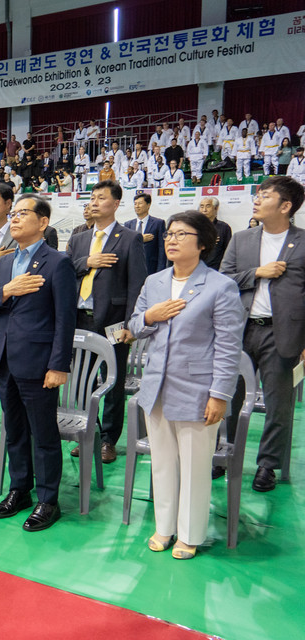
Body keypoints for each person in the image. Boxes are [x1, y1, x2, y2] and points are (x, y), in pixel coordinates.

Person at [127, 210, 243, 558]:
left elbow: (228, 346)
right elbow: (133, 327)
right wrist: (151, 316)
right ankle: (164, 527)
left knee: (194, 466)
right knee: (162, 462)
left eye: (181, 234)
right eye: (169, 234)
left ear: (202, 243)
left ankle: (190, 534)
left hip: (197, 389)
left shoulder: (220, 287)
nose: (171, 240)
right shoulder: (155, 282)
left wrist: (219, 395)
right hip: (156, 386)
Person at [0, 195, 77, 531]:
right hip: (6, 359)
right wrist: (8, 289)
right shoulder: (5, 263)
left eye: (23, 213)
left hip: (39, 363)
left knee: (44, 434)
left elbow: (65, 319)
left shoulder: (57, 262)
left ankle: (48, 499)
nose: (15, 218)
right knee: (15, 431)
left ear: (43, 222)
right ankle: (19, 489)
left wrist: (59, 365)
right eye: (15, 213)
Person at [220, 176, 305, 492]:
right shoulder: (242, 239)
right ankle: (224, 454)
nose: (257, 199)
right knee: (228, 396)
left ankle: (267, 465)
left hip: (282, 334)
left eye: (265, 195)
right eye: (257, 194)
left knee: (278, 404)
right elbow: (223, 280)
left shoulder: (303, 241)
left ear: (285, 206)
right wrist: (257, 272)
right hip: (240, 331)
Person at [65, 180, 147, 463]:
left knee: (112, 381)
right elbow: (64, 271)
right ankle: (91, 432)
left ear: (115, 204)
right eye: (92, 197)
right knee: (83, 381)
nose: (94, 202)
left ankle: (109, 440)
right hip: (79, 318)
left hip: (113, 322)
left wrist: (130, 324)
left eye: (101, 198)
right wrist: (89, 261)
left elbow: (137, 284)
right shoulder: (78, 239)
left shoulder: (129, 238)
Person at [125, 194, 167, 275]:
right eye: (135, 204)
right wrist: (140, 239)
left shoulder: (158, 223)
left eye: (140, 203)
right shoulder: (128, 224)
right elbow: (125, 246)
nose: (137, 206)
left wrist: (160, 271)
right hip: (131, 268)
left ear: (148, 205)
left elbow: (162, 248)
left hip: (151, 268)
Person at [198, 196, 232, 271]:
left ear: (216, 208)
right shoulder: (194, 227)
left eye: (208, 206)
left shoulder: (224, 227)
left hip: (216, 270)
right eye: (201, 206)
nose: (204, 210)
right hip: (196, 269)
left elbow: (228, 252)